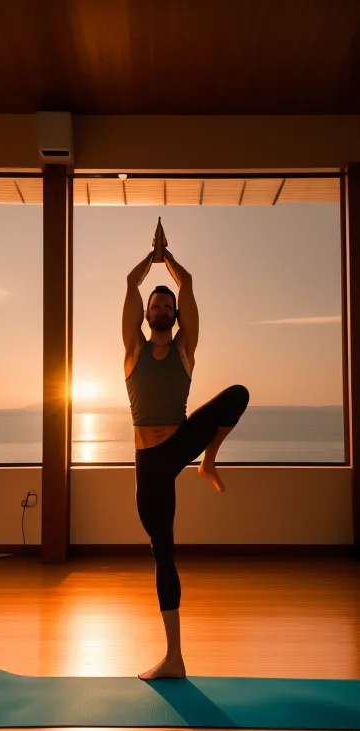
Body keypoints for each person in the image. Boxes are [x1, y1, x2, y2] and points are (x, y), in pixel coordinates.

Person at [122, 233, 250, 680]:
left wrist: (168, 260)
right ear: (147, 314)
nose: (160, 307)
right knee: (164, 555)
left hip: (179, 443)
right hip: (148, 464)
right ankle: (174, 657)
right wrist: (148, 261)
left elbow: (189, 283)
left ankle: (208, 460)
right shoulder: (134, 352)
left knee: (237, 395)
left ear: (175, 316)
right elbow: (128, 284)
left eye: (166, 304)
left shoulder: (183, 351)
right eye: (155, 303)